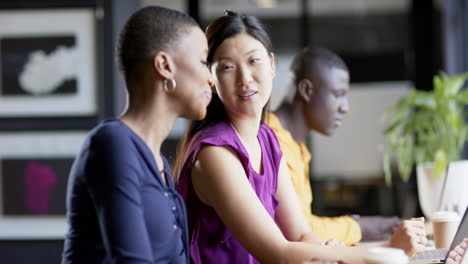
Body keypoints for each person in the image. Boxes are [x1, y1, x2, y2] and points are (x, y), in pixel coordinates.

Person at [174, 11, 426, 264]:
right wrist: (388, 249)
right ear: (212, 78)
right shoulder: (215, 155)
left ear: (272, 66)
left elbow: (301, 233)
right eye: (227, 67)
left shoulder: (268, 139)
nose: (245, 78)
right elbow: (278, 252)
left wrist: (327, 252)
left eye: (254, 61)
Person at [61, 6, 213, 263]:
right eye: (203, 61)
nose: (211, 79)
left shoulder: (160, 163)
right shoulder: (113, 144)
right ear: (165, 66)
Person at [267, 47, 400, 245]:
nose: (345, 107)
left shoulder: (295, 144)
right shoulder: (272, 142)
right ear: (306, 90)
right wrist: (362, 227)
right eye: (338, 94)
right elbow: (298, 231)